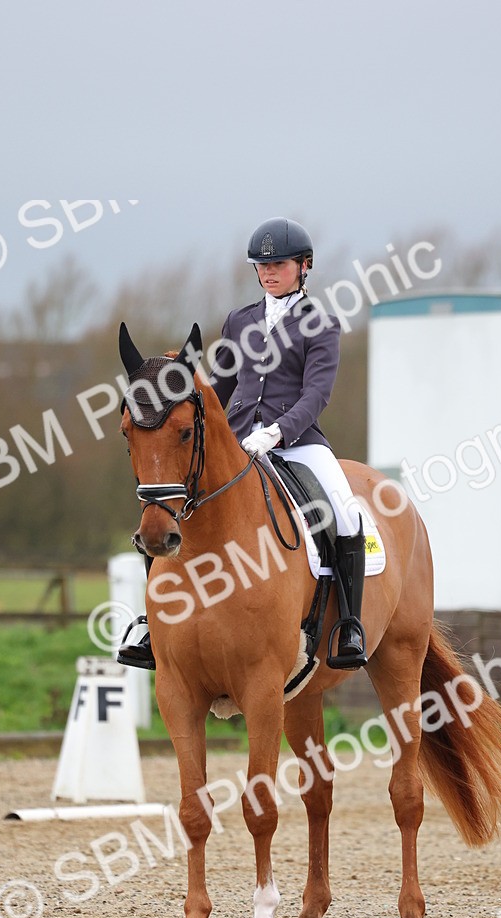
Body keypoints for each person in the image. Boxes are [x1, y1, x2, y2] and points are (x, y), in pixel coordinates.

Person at [118, 216, 367, 671]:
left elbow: (317, 394)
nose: (269, 272)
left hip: (297, 441)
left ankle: (349, 625)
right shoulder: (240, 320)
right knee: (168, 501)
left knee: (346, 512)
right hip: (237, 439)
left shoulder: (321, 324)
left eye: (279, 264)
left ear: (304, 266)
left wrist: (278, 431)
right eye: (262, 265)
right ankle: (153, 626)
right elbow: (224, 388)